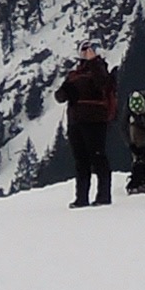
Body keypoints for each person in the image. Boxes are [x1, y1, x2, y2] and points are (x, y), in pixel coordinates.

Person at [57, 45, 118, 207]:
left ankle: (103, 196)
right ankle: (81, 198)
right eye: (84, 50)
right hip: (76, 122)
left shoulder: (100, 69)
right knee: (81, 161)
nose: (86, 52)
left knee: (98, 158)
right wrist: (65, 91)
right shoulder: (74, 75)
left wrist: (94, 62)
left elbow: (103, 84)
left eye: (89, 49)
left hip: (95, 121)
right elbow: (59, 97)